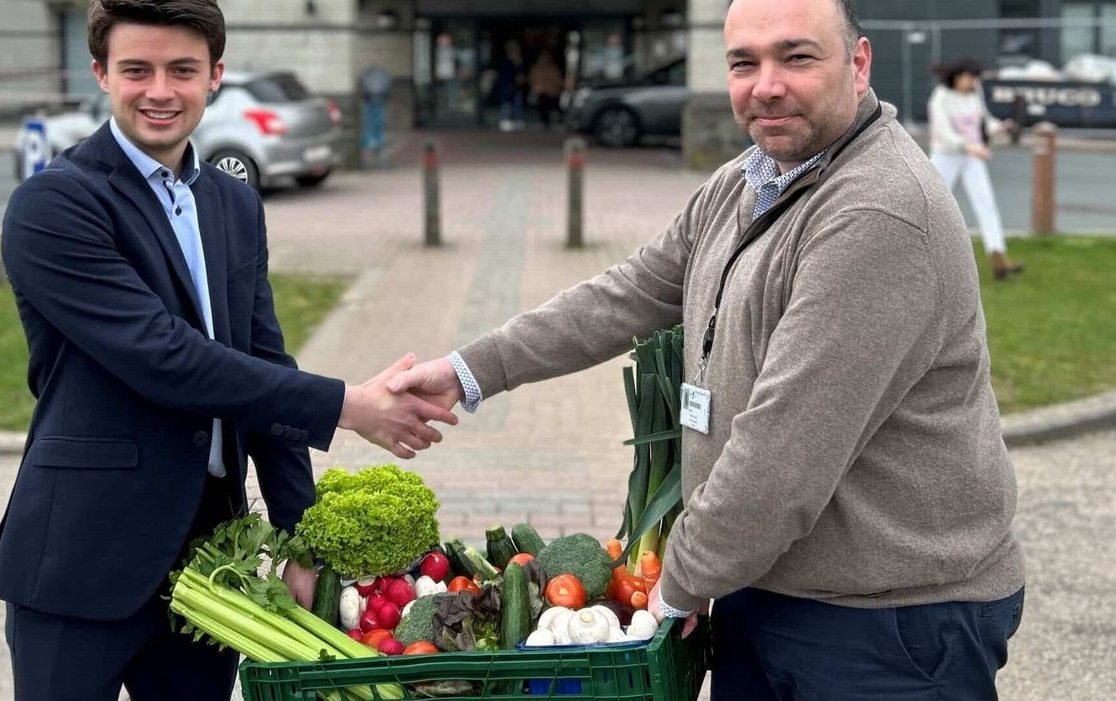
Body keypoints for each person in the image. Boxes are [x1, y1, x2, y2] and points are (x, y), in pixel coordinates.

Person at [389, 0, 1024, 698]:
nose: (767, 84)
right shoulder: (749, 180)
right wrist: (471, 369)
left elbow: (783, 453)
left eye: (797, 57)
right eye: (744, 63)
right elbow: (626, 293)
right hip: (765, 579)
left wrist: (678, 583)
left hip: (891, 620)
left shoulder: (877, 213)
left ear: (859, 62)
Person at [0, 2, 455, 699]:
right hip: (81, 553)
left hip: (212, 565)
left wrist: (300, 543)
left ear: (216, 76)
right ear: (101, 74)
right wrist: (348, 405)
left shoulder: (234, 204)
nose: (160, 91)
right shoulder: (53, 205)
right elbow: (163, 357)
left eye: (182, 70)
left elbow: (263, 366)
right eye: (137, 70)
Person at [929, 58, 1024, 279]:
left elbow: (982, 120)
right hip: (947, 157)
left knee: (986, 203)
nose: (973, 82)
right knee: (932, 204)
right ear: (957, 77)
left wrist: (999, 127)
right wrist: (969, 147)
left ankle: (998, 256)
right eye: (970, 78)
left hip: (972, 157)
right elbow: (944, 133)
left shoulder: (974, 93)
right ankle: (921, 254)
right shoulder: (941, 98)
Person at [359, 64, 391, 166]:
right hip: (378, 101)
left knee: (370, 124)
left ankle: (371, 144)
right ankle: (377, 144)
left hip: (370, 101)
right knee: (377, 124)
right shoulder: (381, 76)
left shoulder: (368, 76)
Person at [495, 40, 526, 132]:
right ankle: (504, 120)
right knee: (507, 104)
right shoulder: (506, 62)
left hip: (516, 88)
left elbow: (521, 75)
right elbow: (508, 76)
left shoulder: (518, 62)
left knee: (517, 103)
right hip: (506, 87)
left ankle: (517, 120)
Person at [528, 52, 564, 129]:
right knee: (541, 105)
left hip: (552, 93)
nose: (544, 60)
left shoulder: (553, 68)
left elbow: (558, 81)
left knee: (551, 106)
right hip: (541, 93)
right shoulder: (536, 68)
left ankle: (551, 121)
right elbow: (532, 80)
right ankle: (543, 121)